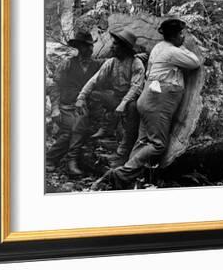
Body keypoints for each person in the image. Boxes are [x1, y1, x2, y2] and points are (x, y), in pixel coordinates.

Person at [92, 18, 201, 190]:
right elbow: (195, 61)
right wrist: (183, 46)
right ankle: (119, 175)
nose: (183, 37)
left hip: (148, 97)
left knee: (142, 142)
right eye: (181, 34)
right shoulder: (172, 51)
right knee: (158, 144)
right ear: (174, 36)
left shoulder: (159, 47)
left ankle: (124, 180)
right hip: (158, 100)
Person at [65, 28, 146, 175]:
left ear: (124, 47)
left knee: (133, 107)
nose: (111, 47)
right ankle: (105, 126)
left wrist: (123, 104)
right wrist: (81, 97)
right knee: (94, 95)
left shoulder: (136, 63)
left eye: (115, 44)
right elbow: (94, 80)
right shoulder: (111, 62)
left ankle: (123, 153)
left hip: (132, 100)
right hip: (116, 97)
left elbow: (136, 88)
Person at [46, 30, 102, 173]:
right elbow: (55, 87)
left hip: (86, 107)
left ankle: (64, 160)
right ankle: (53, 160)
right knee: (71, 129)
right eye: (84, 46)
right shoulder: (67, 64)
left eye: (90, 46)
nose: (89, 49)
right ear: (78, 47)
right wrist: (55, 109)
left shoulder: (98, 66)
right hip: (66, 107)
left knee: (75, 126)